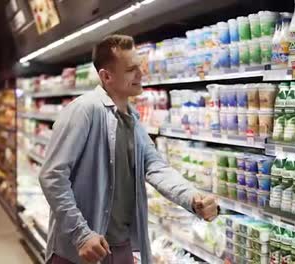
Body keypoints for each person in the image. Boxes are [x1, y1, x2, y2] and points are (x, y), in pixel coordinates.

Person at [39, 34, 218, 264]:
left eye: (140, 67)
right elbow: (51, 176)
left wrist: (193, 198)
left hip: (121, 248)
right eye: (132, 69)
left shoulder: (132, 119)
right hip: (80, 252)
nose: (141, 74)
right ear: (107, 76)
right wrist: (80, 234)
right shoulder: (84, 110)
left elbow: (155, 166)